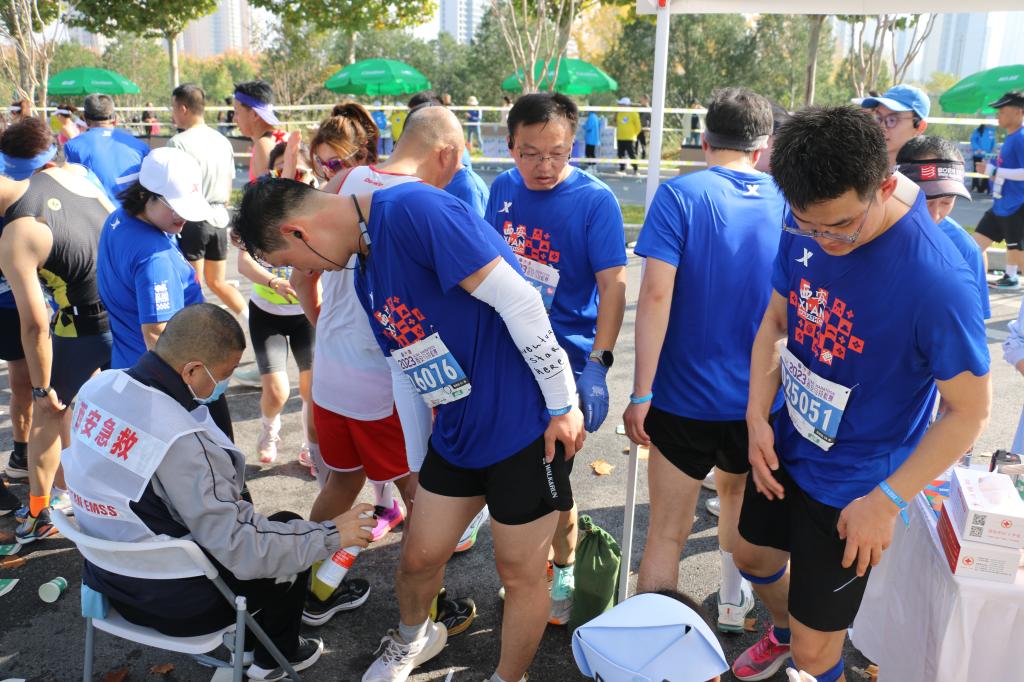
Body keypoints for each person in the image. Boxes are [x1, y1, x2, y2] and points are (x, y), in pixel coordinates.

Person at [232, 157, 585, 682]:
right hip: (455, 435)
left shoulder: (414, 210)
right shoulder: (365, 265)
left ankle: (506, 677)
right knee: (417, 558)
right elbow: (406, 367)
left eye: (291, 262)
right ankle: (414, 639)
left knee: (519, 573)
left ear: (297, 231)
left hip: (522, 429)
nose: (306, 274)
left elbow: (521, 302)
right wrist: (418, 465)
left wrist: (562, 404)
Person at [730, 106, 990, 682]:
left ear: (885, 185)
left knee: (816, 656)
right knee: (750, 556)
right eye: (811, 226)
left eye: (843, 226)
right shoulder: (802, 222)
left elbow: (970, 411)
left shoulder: (938, 279)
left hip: (856, 484)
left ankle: (804, 646)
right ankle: (785, 630)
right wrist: (756, 417)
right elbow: (776, 321)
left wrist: (888, 500)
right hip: (788, 442)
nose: (827, 241)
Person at [62, 303, 378, 682]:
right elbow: (243, 547)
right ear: (193, 370)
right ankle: (273, 658)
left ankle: (252, 643)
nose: (224, 386)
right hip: (182, 607)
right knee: (285, 527)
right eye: (225, 375)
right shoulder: (182, 439)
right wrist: (331, 534)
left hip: (108, 583)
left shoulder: (98, 388)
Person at [300, 103, 476, 634]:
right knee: (422, 498)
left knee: (341, 482)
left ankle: (302, 585)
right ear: (446, 153)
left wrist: (328, 327)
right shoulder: (420, 203)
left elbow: (301, 274)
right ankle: (430, 606)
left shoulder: (345, 182)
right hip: (384, 386)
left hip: (331, 375)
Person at [624, 88, 781, 635]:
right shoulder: (789, 200)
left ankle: (654, 645)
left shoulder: (680, 194)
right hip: (759, 400)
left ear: (706, 139)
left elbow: (655, 296)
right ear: (762, 147)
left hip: (681, 398)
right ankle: (734, 601)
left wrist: (640, 393)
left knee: (667, 531)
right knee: (734, 501)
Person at [486, 92, 627, 626]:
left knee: (552, 475)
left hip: (565, 364)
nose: (544, 166)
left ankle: (562, 568)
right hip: (505, 359)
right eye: (530, 154)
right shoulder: (502, 189)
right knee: (512, 473)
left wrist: (599, 364)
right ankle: (529, 567)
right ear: (510, 145)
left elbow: (614, 287)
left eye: (558, 153)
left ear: (573, 146)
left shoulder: (595, 201)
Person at [0, 117, 114, 543]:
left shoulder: (18, 232)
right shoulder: (77, 175)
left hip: (81, 326)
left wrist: (41, 387)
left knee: (48, 412)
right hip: (125, 316)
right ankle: (99, 500)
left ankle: (40, 512)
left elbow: (34, 325)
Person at [239, 140, 318, 468]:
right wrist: (273, 281)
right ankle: (269, 430)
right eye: (284, 170)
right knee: (277, 391)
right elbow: (244, 262)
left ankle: (310, 446)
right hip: (267, 314)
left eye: (300, 171)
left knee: (311, 389)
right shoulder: (258, 210)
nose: (292, 177)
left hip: (306, 314)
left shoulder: (319, 209)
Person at [168, 84, 247, 321]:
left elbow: (174, 186)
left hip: (193, 218)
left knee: (193, 285)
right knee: (217, 282)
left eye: (173, 108)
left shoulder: (178, 142)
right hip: (220, 218)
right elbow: (229, 183)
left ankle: (199, 333)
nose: (172, 114)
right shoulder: (222, 141)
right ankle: (250, 319)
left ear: (183, 108)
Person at [896, 135, 990, 320]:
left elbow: (973, 321)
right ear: (897, 185)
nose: (935, 215)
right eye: (925, 200)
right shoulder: (866, 230)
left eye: (947, 202)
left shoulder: (965, 249)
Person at [973, 91, 1024, 291]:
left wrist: (994, 171)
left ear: (1019, 112)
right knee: (973, 246)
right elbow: (1007, 171)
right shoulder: (1012, 138)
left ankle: (1011, 277)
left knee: (1017, 251)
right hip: (1001, 205)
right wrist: (992, 170)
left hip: (1016, 206)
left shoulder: (1021, 138)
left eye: (1002, 111)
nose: (998, 115)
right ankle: (1009, 277)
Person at [64, 94, 151, 205]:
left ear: (84, 118)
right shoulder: (140, 146)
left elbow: (73, 189)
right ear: (114, 117)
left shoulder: (73, 146)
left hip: (97, 213)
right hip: (134, 212)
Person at [860, 84, 929, 167]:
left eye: (892, 120)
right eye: (878, 117)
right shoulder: (858, 165)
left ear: (920, 127)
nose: (881, 127)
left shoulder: (926, 172)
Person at [233, 80, 286, 181]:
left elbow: (268, 189)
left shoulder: (263, 145)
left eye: (237, 112)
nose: (234, 119)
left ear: (255, 114)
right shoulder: (279, 138)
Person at [615, 97, 641, 175]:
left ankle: (636, 169)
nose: (619, 106)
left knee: (632, 154)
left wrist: (634, 135)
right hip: (620, 137)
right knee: (620, 154)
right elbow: (617, 123)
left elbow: (638, 127)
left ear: (626, 105)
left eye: (621, 104)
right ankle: (622, 169)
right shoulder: (619, 113)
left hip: (630, 138)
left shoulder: (633, 113)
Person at [970, 123, 996, 193]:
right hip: (978, 155)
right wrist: (978, 149)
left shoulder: (992, 130)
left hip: (987, 155)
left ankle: (985, 188)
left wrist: (993, 148)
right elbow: (973, 141)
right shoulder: (977, 130)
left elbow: (993, 142)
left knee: (987, 171)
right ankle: (975, 187)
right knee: (976, 171)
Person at [638, 94, 651, 159]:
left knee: (643, 144)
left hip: (644, 129)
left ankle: (643, 156)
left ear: (646, 100)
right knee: (635, 143)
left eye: (642, 99)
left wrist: (649, 128)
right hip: (637, 128)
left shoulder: (649, 110)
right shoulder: (639, 108)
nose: (641, 100)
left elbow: (651, 120)